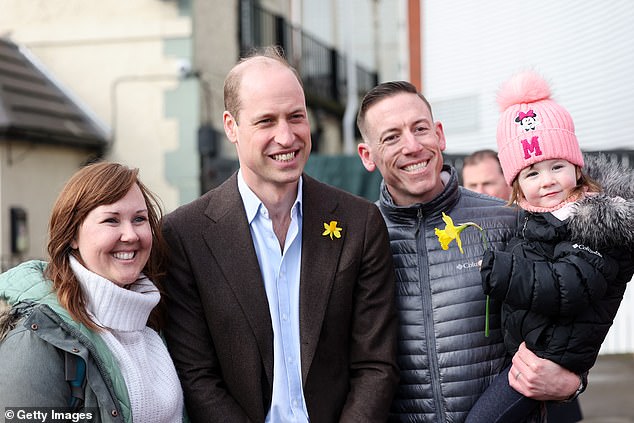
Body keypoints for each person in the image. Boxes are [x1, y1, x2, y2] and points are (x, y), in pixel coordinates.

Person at [161, 46, 399, 423]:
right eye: (266, 121)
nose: (286, 137)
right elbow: (196, 376)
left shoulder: (360, 223)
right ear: (230, 126)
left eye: (296, 117)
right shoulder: (185, 235)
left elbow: (376, 364)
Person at [356, 80, 584, 422]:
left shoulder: (508, 220)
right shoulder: (360, 239)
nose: (412, 146)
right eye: (391, 137)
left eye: (420, 129)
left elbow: (571, 312)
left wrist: (574, 381)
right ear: (367, 155)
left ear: (440, 135)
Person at [465, 71, 634, 423]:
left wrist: (500, 271)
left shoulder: (595, 220)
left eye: (556, 166)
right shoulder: (535, 218)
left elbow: (567, 285)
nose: (548, 181)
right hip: (530, 355)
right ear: (517, 185)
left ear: (576, 165)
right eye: (532, 174)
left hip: (547, 362)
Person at [0, 162, 184, 422]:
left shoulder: (154, 317)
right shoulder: (37, 336)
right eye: (111, 220)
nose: (130, 235)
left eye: (139, 219)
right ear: (72, 235)